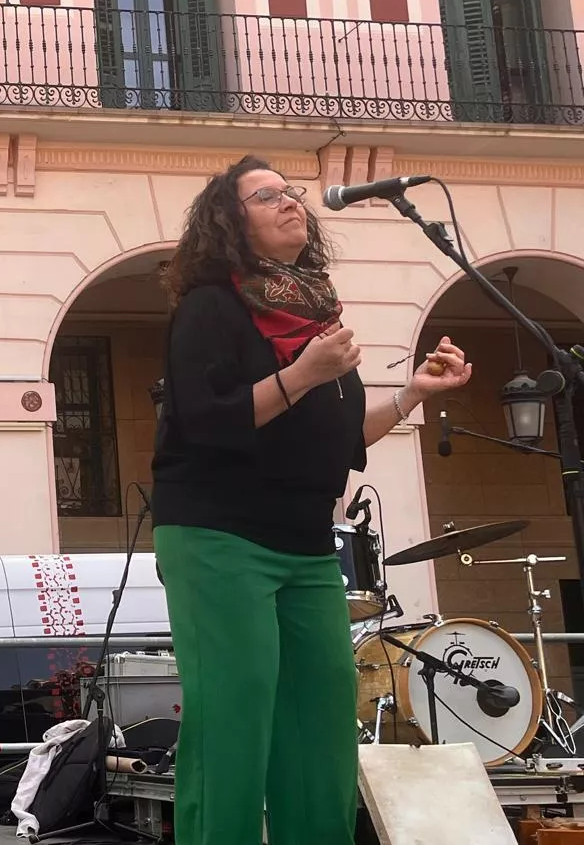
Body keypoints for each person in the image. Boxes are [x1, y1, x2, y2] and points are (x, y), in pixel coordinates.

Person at [149, 155, 472, 845]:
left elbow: (340, 439)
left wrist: (413, 393)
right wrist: (302, 374)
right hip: (219, 537)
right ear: (231, 224)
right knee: (235, 720)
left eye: (291, 192)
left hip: (303, 546)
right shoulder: (211, 306)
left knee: (320, 722)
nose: (291, 201)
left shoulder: (315, 310)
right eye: (267, 197)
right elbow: (209, 422)